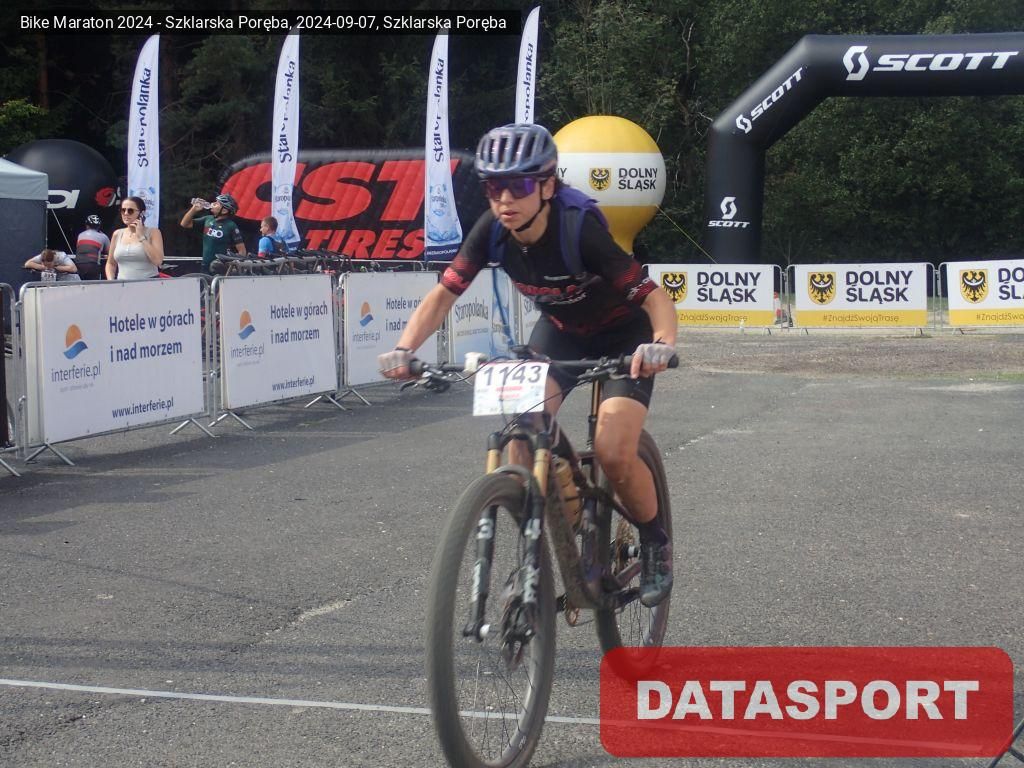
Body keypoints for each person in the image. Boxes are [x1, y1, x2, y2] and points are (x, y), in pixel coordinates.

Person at [378, 123, 679, 607]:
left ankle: (654, 542)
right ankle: (542, 538)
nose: (504, 199)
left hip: (624, 337)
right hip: (561, 332)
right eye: (493, 187)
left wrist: (661, 344)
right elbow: (444, 295)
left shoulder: (578, 229)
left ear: (547, 185)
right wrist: (404, 349)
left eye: (518, 185)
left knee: (613, 451)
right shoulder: (492, 231)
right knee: (521, 436)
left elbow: (654, 298)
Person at [179, 193, 246, 273]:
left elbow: (242, 251)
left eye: (217, 203)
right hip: (205, 265)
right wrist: (193, 210)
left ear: (224, 211)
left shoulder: (231, 225)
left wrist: (235, 266)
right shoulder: (208, 219)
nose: (213, 204)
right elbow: (184, 224)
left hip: (221, 267)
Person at [106, 196, 165, 280]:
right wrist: (111, 281)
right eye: (123, 210)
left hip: (148, 283)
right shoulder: (117, 234)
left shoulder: (153, 232)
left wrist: (141, 237)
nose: (126, 213)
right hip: (122, 284)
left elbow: (158, 261)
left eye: (130, 211)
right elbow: (111, 263)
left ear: (141, 213)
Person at [74, 214, 109, 280]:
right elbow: (110, 252)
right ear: (99, 226)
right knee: (94, 285)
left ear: (87, 225)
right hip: (93, 265)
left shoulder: (80, 235)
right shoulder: (103, 236)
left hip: (78, 264)